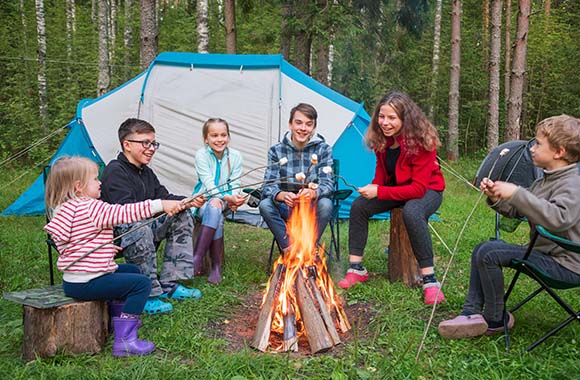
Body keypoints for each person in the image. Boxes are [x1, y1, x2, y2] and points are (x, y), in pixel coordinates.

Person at [438, 115, 580, 339]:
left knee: (488, 252)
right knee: (485, 248)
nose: (531, 148)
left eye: (539, 143)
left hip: (567, 265)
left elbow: (558, 218)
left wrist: (517, 192)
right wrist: (495, 196)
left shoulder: (573, 184)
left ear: (559, 152)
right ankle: (471, 314)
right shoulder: (543, 180)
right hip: (545, 254)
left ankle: (496, 319)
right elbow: (517, 212)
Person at [44, 156, 190, 357]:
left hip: (73, 281)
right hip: (90, 281)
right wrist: (160, 204)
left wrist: (100, 250)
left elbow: (68, 244)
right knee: (141, 284)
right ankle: (126, 341)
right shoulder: (91, 207)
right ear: (79, 186)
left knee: (132, 270)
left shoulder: (64, 209)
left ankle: (116, 320)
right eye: (95, 179)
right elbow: (125, 212)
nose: (100, 182)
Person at [338, 91, 446, 306]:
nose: (385, 123)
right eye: (381, 116)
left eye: (392, 118)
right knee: (360, 206)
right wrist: (375, 186)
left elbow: (417, 189)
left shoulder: (423, 141)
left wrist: (380, 192)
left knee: (412, 212)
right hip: (397, 188)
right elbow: (382, 171)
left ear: (405, 119)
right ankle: (356, 268)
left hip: (427, 191)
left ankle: (430, 281)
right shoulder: (382, 139)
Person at [100, 118, 205, 315]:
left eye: (153, 143)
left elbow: (164, 197)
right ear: (127, 145)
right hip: (117, 235)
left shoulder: (146, 172)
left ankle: (169, 283)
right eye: (145, 143)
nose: (151, 148)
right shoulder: (114, 171)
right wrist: (161, 206)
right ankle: (147, 292)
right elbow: (124, 212)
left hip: (144, 227)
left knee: (181, 215)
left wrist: (188, 201)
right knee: (137, 225)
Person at [259, 103, 334, 254]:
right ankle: (290, 248)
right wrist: (282, 195)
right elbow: (268, 185)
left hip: (311, 206)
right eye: (298, 122)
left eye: (308, 124)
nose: (303, 128)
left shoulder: (323, 149)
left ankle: (308, 247)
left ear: (313, 128)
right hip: (286, 205)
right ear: (290, 124)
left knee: (326, 204)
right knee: (265, 205)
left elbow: (327, 183)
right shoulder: (276, 151)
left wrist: (313, 193)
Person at [191, 118, 245, 284]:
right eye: (214, 135)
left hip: (225, 202)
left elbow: (235, 183)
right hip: (202, 200)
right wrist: (224, 197)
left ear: (228, 137)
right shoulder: (201, 155)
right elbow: (209, 185)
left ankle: (197, 259)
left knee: (217, 205)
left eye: (223, 135)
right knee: (215, 209)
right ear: (206, 138)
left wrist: (235, 198)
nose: (219, 139)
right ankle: (214, 265)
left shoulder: (235, 156)